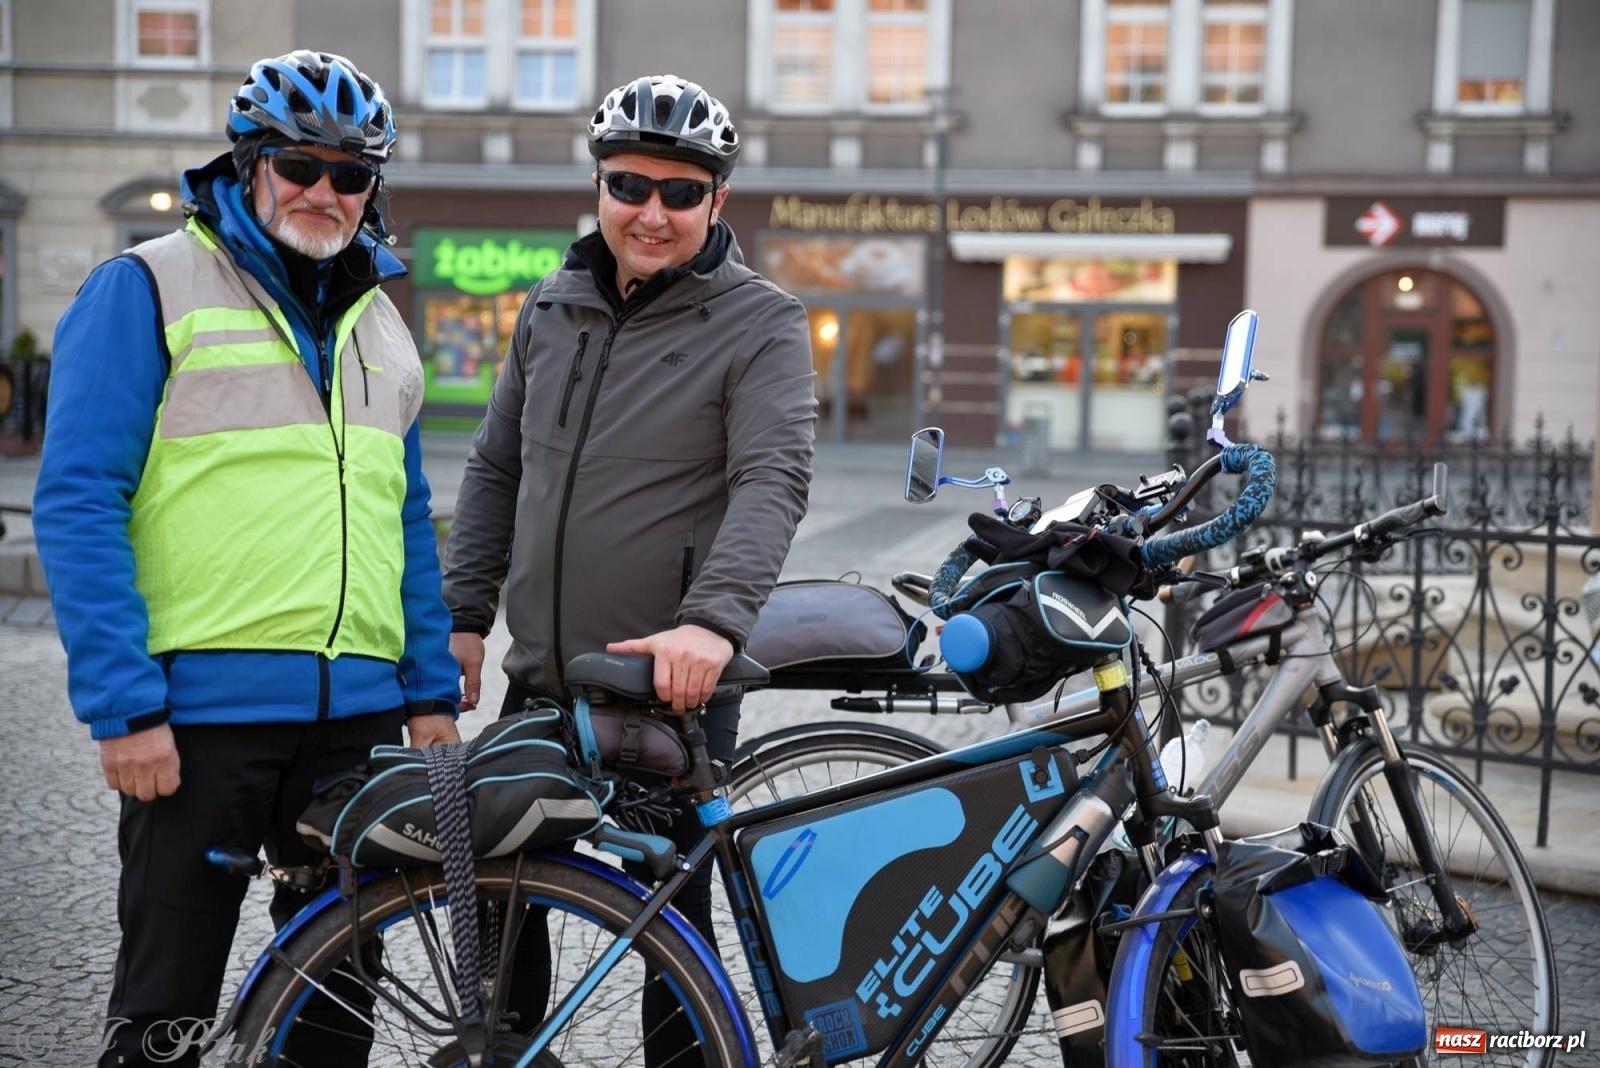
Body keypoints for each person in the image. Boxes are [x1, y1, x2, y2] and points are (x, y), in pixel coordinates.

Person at [32, 50, 462, 1068]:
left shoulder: (381, 323)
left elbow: (406, 519)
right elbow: (78, 499)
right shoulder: (142, 286)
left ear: (374, 188)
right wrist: (123, 707)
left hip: (355, 723)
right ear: (248, 162)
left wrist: (430, 690)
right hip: (199, 725)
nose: (325, 192)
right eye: (300, 166)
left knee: (334, 1017)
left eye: (351, 174)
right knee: (162, 1019)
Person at [442, 73, 815, 1061]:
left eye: (680, 192)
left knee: (670, 930)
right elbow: (496, 466)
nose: (651, 212)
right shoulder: (550, 304)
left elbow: (772, 477)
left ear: (716, 200)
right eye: (629, 185)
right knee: (501, 908)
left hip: (668, 687)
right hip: (538, 681)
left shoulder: (762, 322)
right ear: (600, 186)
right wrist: (462, 614)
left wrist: (714, 621)